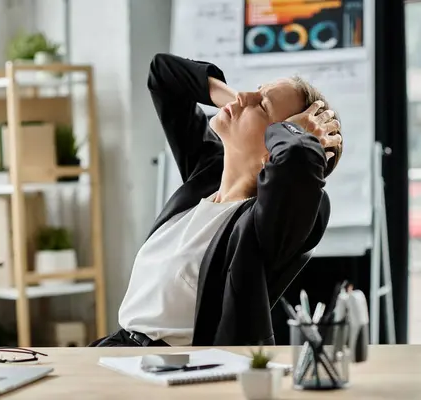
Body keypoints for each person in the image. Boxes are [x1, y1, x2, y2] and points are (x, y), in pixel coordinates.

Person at [91, 53, 343, 347]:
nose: (244, 96)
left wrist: (295, 132)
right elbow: (164, 74)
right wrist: (240, 100)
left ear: (273, 150)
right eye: (256, 89)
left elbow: (298, 159)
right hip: (116, 350)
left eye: (263, 105)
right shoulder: (206, 175)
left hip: (176, 374)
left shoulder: (262, 225)